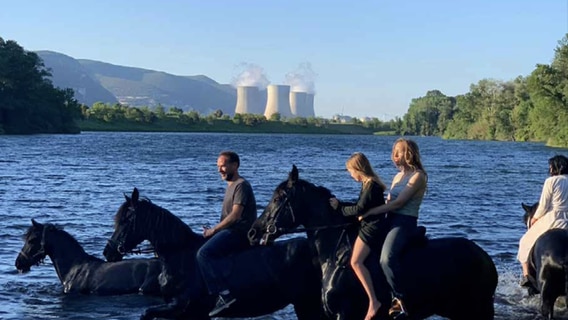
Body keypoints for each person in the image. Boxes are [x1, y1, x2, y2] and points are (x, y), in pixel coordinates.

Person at [358, 138, 427, 319]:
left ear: (409, 154)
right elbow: (387, 203)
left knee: (386, 259)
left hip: (404, 222)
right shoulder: (398, 176)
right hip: (389, 219)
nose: (394, 156)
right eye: (394, 151)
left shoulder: (418, 176)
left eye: (399, 151)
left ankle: (400, 301)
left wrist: (370, 212)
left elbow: (399, 203)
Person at [196, 151, 257, 317]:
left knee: (204, 253)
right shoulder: (231, 186)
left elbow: (236, 215)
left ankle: (224, 294)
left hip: (239, 233)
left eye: (222, 165)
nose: (219, 170)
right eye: (218, 166)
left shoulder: (241, 185)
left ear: (235, 165)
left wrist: (215, 230)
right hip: (230, 231)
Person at [329, 152, 387, 320]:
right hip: (368, 224)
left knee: (355, 261)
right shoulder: (368, 184)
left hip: (372, 228)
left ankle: (373, 301)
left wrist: (339, 208)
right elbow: (359, 206)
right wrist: (341, 205)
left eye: (351, 171)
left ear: (358, 169)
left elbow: (359, 210)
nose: (350, 175)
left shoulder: (372, 186)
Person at [518, 155, 568, 287]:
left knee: (524, 242)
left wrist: (534, 218)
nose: (550, 169)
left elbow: (544, 205)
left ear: (556, 167)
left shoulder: (551, 181)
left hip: (554, 218)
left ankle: (527, 275)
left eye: (551, 166)